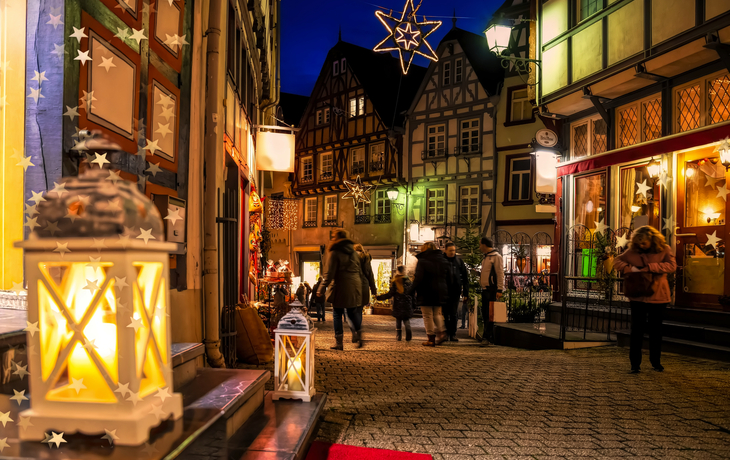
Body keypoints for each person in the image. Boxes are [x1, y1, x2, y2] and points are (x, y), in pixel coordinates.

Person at [613, 225, 676, 373]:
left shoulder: (664, 249)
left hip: (658, 296)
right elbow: (617, 261)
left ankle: (656, 362)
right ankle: (635, 364)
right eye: (639, 242)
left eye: (644, 242)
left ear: (652, 240)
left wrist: (652, 267)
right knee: (636, 331)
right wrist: (630, 268)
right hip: (638, 296)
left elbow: (672, 266)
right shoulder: (632, 251)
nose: (641, 245)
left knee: (656, 331)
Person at [317, 229, 363, 350]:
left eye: (333, 237)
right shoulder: (353, 252)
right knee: (352, 312)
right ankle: (359, 334)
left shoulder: (335, 252)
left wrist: (321, 288)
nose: (332, 239)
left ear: (336, 238)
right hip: (354, 285)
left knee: (337, 313)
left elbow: (329, 273)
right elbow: (359, 270)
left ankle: (339, 342)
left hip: (341, 285)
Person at [408, 242, 449, 347]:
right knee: (437, 314)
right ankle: (442, 332)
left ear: (424, 249)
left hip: (426, 291)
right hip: (440, 290)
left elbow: (419, 278)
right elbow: (448, 276)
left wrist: (411, 290)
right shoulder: (443, 260)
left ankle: (431, 338)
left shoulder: (423, 261)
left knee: (427, 315)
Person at [376, 265, 414, 341]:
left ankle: (398, 336)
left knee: (398, 320)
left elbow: (390, 294)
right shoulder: (409, 281)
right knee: (406, 320)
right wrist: (414, 304)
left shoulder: (395, 281)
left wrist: (380, 297)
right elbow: (412, 294)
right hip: (407, 304)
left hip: (398, 304)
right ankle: (408, 334)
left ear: (397, 271)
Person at [479, 237, 504, 347]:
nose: (479, 247)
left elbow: (500, 273)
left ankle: (488, 337)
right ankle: (488, 337)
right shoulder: (486, 257)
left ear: (484, 245)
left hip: (491, 290)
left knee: (490, 314)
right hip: (485, 289)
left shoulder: (496, 257)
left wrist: (499, 289)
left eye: (480, 244)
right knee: (485, 314)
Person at [444, 242, 469, 342]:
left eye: (454, 250)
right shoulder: (442, 261)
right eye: (450, 251)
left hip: (455, 291)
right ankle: (446, 333)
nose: (452, 252)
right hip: (444, 291)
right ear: (445, 250)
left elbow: (465, 278)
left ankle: (453, 334)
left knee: (453, 313)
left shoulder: (458, 262)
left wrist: (465, 292)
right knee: (445, 313)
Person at [354, 243, 377, 344]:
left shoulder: (352, 258)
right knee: (359, 311)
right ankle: (357, 331)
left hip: (353, 286)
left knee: (351, 311)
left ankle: (355, 331)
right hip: (363, 286)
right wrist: (373, 290)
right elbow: (370, 275)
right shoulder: (366, 259)